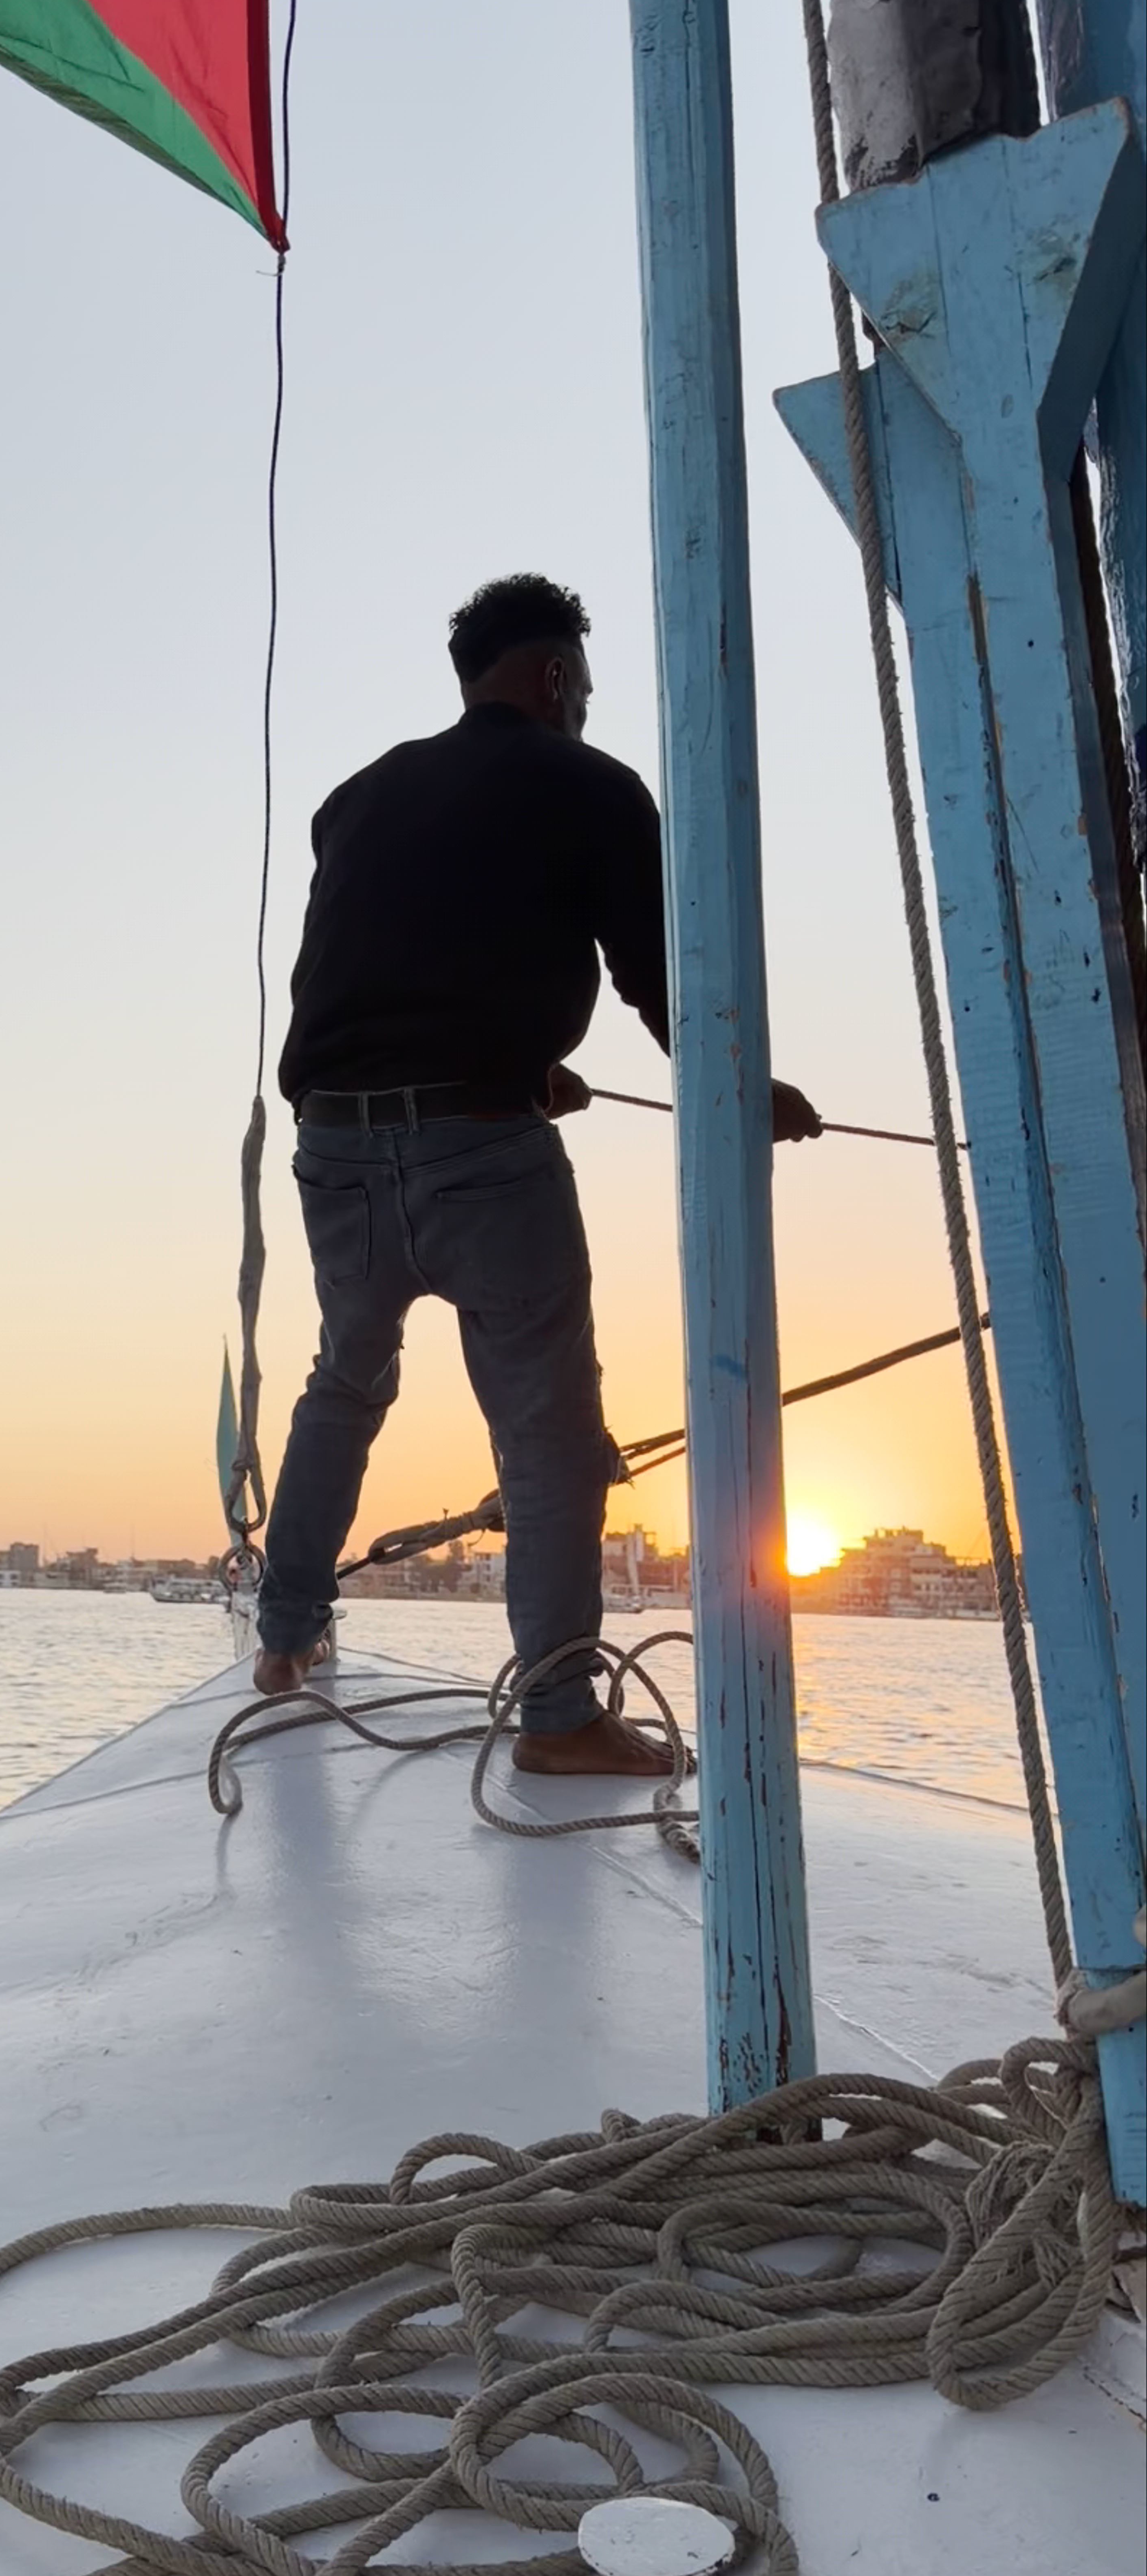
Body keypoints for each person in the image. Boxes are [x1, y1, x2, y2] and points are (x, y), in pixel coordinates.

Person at [254, 574, 821, 1769]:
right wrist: (745, 1095)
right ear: (555, 678)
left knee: (345, 1381)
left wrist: (512, 1061)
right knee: (551, 1438)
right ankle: (560, 1717)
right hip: (480, 1155)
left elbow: (377, 972)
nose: (586, 709)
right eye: (586, 689)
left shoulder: (355, 799)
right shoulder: (592, 786)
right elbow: (664, 982)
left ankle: (284, 1641)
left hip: (336, 1149)